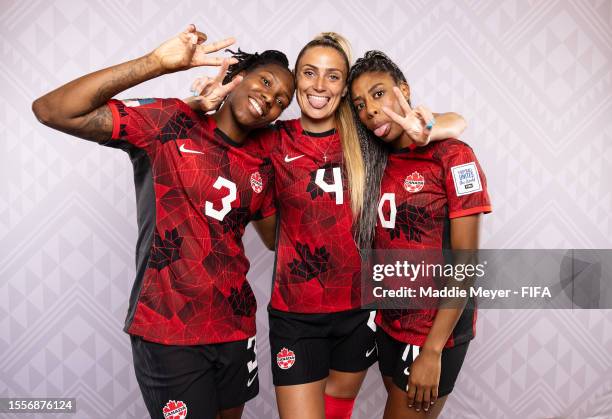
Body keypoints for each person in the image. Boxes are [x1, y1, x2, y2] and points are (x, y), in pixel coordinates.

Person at [189, 33, 468, 419]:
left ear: (343, 86)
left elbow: (455, 123)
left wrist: (432, 124)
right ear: (297, 79)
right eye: (309, 73)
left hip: (357, 311)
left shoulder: (366, 137)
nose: (319, 85)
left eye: (333, 76)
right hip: (296, 314)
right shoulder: (273, 139)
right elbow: (220, 140)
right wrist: (197, 105)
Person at [32, 24, 295, 419]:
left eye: (280, 100)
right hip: (169, 328)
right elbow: (52, 110)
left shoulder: (261, 161)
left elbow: (277, 238)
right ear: (237, 76)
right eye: (265, 82)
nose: (269, 98)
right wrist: (155, 64)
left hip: (235, 326)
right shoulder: (170, 122)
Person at [348, 50, 492, 418]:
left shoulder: (453, 155)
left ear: (404, 90)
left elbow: (466, 261)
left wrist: (432, 350)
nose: (371, 111)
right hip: (390, 323)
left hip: (433, 332)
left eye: (379, 94)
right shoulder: (375, 160)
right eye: (361, 104)